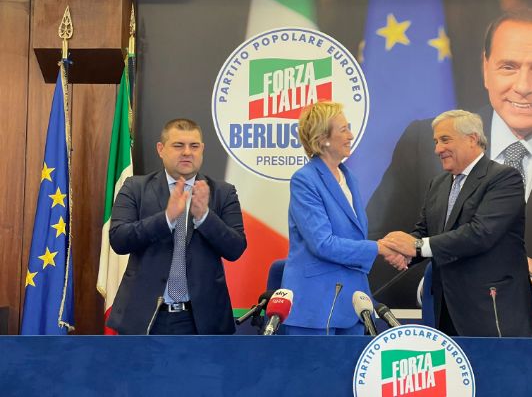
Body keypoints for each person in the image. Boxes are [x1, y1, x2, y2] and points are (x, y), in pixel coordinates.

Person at [368, 9, 532, 311]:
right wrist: (435, 287)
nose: (523, 86)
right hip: (445, 332)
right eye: (508, 67)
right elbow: (374, 248)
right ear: (486, 70)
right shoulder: (424, 142)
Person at [382, 110, 532, 337]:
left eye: (445, 140)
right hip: (445, 309)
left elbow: (480, 233)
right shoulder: (438, 184)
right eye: (436, 142)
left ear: (472, 139)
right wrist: (402, 250)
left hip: (491, 310)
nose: (438, 149)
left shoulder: (504, 178)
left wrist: (416, 247)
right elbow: (426, 232)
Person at [108, 118, 247, 335]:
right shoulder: (135, 188)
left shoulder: (223, 192)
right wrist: (166, 218)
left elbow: (236, 248)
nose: (187, 152)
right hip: (145, 317)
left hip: (203, 321)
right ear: (161, 149)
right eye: (178, 145)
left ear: (202, 149)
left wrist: (204, 217)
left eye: (194, 146)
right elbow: (119, 239)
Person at [281, 101, 406, 335]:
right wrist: (379, 248)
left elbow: (354, 238)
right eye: (343, 129)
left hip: (353, 302)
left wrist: (387, 248)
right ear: (323, 139)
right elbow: (322, 243)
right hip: (315, 305)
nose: (350, 135)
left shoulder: (350, 179)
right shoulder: (305, 180)